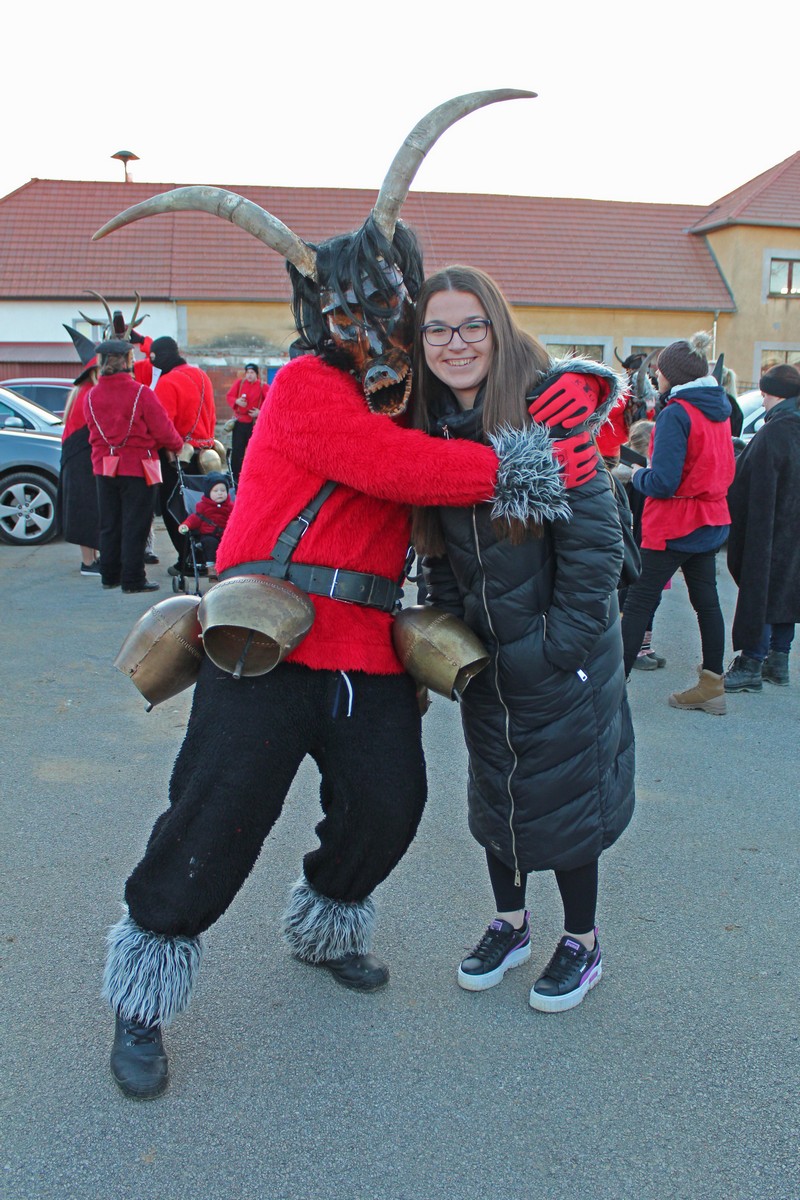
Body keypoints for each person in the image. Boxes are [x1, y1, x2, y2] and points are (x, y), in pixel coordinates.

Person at [96, 89, 606, 1098]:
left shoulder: (418, 387)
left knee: (388, 806)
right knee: (215, 818)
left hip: (369, 646)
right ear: (313, 317)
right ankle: (142, 997)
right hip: (262, 641)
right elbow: (393, 468)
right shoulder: (302, 389)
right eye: (340, 313)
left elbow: (497, 388)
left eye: (380, 309)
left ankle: (327, 918)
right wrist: (524, 466)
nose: (363, 329)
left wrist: (558, 408)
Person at [412, 265, 635, 1013]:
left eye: (472, 324)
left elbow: (598, 550)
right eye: (437, 327)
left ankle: (583, 941)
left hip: (558, 659)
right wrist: (447, 640)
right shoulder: (431, 428)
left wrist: (553, 651)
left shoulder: (546, 415)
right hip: (484, 659)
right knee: (498, 794)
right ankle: (510, 924)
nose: (456, 342)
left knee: (566, 804)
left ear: (497, 329)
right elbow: (439, 552)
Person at [621, 337, 736, 713]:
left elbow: (663, 482)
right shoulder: (718, 409)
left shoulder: (676, 413)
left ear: (670, 375)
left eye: (658, 372)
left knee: (638, 601)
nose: (655, 377)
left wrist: (635, 473)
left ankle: (607, 691)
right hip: (709, 518)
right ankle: (712, 684)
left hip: (675, 523)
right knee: (707, 603)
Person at [84, 337, 183, 593]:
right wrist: (177, 444)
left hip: (104, 466)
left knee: (110, 521)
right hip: (138, 466)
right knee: (135, 524)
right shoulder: (141, 392)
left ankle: (110, 575)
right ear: (128, 361)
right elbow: (164, 431)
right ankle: (133, 579)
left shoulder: (91, 395)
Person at [723, 363, 800, 691]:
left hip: (767, 526)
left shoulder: (775, 431)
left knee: (761, 590)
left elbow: (746, 479)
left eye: (766, 395)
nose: (763, 401)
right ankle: (778, 662)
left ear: (774, 395)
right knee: (788, 587)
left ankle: (752, 662)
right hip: (792, 528)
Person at [147, 336, 217, 566]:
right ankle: (205, 556)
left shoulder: (168, 382)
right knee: (202, 508)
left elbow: (162, 424)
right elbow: (212, 415)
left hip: (178, 457)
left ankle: (187, 558)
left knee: (176, 509)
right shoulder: (202, 376)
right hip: (207, 455)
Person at [59, 357, 101, 577]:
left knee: (87, 507)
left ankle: (92, 558)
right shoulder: (89, 393)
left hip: (77, 455)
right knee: (85, 508)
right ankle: (88, 562)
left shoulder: (80, 391)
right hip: (82, 457)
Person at [178, 471, 233, 575]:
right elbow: (194, 518)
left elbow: (236, 519)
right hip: (209, 535)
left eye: (223, 490)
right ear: (208, 493)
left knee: (233, 543)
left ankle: (230, 567)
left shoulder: (230, 506)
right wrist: (186, 525)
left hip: (226, 535)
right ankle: (211, 566)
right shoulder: (203, 506)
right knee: (210, 543)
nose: (220, 493)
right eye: (215, 491)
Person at [226, 363, 268, 481]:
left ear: (256, 374)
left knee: (254, 450)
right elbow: (229, 396)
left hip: (254, 423)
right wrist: (237, 401)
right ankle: (235, 476)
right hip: (240, 421)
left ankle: (254, 475)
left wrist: (260, 412)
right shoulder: (240, 384)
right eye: (247, 373)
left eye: (252, 373)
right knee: (237, 450)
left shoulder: (262, 386)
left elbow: (271, 402)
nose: (249, 375)